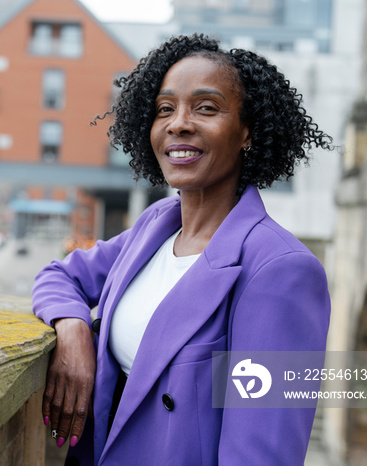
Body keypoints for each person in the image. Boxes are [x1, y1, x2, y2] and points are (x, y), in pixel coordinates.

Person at [31, 33, 332, 465]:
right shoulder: (156, 226)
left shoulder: (281, 271)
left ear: (247, 132)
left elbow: (260, 454)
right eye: (165, 109)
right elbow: (60, 275)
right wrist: (74, 328)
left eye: (206, 108)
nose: (179, 123)